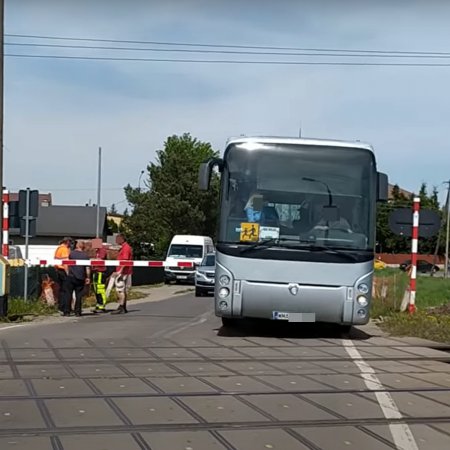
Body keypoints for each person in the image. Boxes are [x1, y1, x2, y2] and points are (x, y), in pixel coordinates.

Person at [66, 240, 90, 317]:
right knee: (79, 295)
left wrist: (68, 273)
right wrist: (88, 277)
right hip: (80, 277)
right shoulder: (85, 256)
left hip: (71, 276)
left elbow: (67, 264)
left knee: (68, 294)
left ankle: (67, 311)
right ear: (83, 247)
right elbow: (87, 268)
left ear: (77, 246)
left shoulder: (71, 254)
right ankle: (78, 311)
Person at [111, 234, 133, 315]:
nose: (116, 241)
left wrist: (120, 271)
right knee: (122, 290)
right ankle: (123, 307)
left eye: (117, 239)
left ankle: (121, 306)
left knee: (120, 290)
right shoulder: (124, 247)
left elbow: (125, 261)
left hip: (123, 273)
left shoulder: (126, 248)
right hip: (125, 272)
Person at [54, 237, 72, 315]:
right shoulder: (64, 249)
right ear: (67, 242)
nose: (70, 245)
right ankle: (65, 308)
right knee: (66, 290)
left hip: (58, 270)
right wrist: (67, 272)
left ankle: (60, 306)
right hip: (63, 270)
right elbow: (65, 262)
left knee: (61, 290)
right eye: (70, 243)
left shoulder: (58, 248)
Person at [90, 240, 108, 313]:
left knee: (100, 288)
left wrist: (92, 260)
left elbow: (100, 259)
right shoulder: (97, 251)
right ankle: (98, 303)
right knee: (96, 289)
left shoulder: (102, 250)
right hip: (95, 271)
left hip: (100, 271)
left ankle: (102, 304)